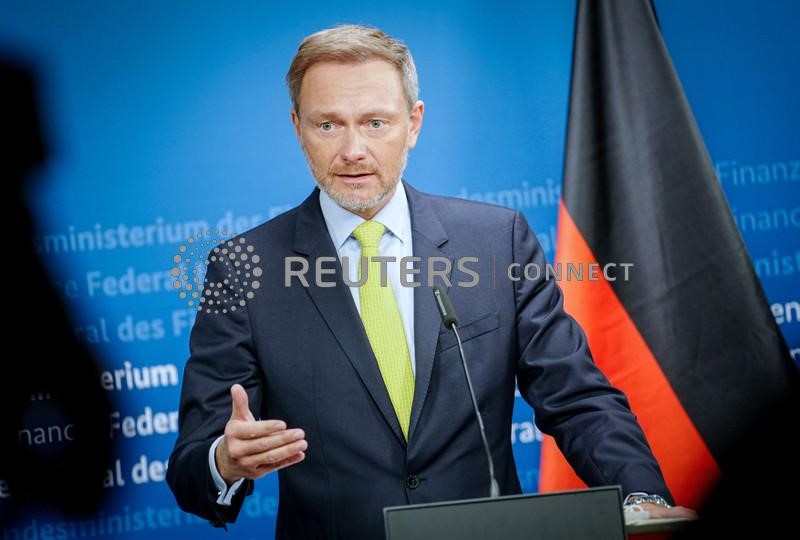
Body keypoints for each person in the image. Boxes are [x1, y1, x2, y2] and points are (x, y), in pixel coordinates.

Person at [167, 24, 695, 538]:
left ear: (414, 123)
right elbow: (193, 463)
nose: (352, 149)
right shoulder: (242, 268)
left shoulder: (496, 241)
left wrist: (640, 495)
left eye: (375, 122)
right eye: (328, 124)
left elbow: (576, 396)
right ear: (297, 127)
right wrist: (224, 460)